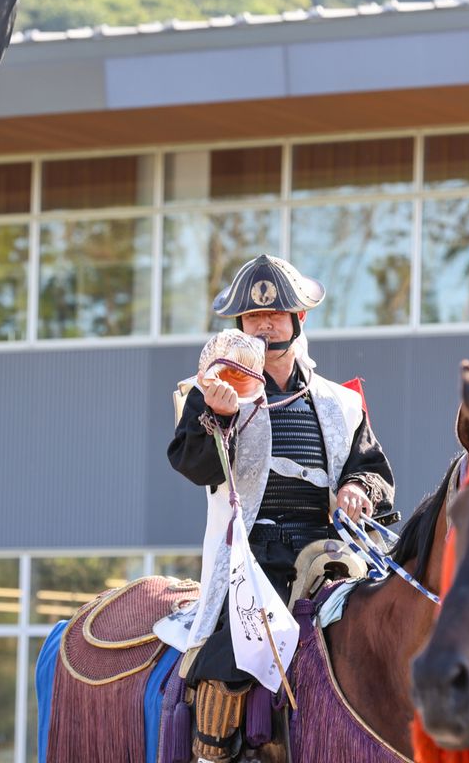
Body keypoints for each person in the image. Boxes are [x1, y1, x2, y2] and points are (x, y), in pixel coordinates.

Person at [167, 254, 395, 761]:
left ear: (299, 320)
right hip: (254, 561)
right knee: (225, 662)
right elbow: (193, 466)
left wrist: (358, 487)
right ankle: (212, 756)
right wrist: (219, 416)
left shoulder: (342, 402)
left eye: (274, 315)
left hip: (334, 558)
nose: (264, 324)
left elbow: (376, 471)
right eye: (252, 317)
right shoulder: (211, 392)